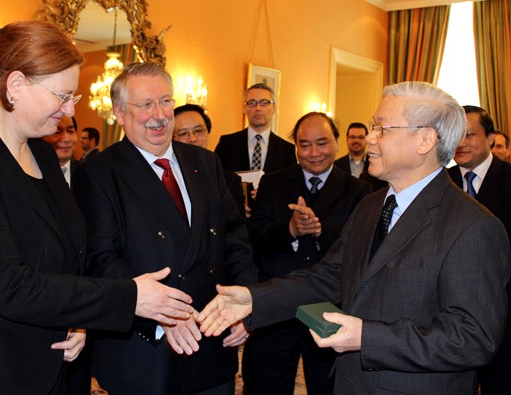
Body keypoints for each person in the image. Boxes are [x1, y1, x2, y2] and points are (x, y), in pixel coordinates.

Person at [0, 20, 193, 395]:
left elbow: (68, 252)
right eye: (62, 96)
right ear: (15, 86)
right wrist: (130, 296)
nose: (67, 111)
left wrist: (76, 321)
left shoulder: (41, 153)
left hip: (47, 365)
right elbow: (11, 286)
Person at [198, 81, 511, 395]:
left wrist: (366, 337)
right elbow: (330, 275)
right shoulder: (372, 205)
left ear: (425, 140)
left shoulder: (473, 226)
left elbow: (473, 339)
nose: (370, 138)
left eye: (382, 129)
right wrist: (254, 299)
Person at [73, 62, 258, 395]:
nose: (159, 114)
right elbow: (101, 259)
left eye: (166, 101)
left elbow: (235, 242)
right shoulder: (99, 172)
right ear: (119, 113)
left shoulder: (206, 163)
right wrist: (161, 315)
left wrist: (245, 302)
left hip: (211, 341)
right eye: (146, 105)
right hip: (144, 350)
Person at [243, 112, 371, 395]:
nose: (313, 153)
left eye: (322, 143)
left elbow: (359, 248)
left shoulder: (359, 190)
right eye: (304, 144)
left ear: (337, 143)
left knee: (327, 386)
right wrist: (289, 229)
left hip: (329, 308)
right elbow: (255, 236)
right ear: (295, 147)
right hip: (276, 305)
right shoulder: (273, 183)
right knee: (265, 384)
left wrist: (318, 229)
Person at [448, 105, 511, 395]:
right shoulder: (439, 181)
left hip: (502, 307)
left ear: (491, 139)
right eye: (456, 135)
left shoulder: (508, 178)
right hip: (449, 311)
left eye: (469, 135)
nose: (460, 143)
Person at [173, 103, 246, 219]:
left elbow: (236, 229)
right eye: (183, 133)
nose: (193, 138)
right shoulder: (166, 177)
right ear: (171, 139)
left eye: (198, 131)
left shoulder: (229, 180)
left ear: (208, 133)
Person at [214, 83, 296, 173]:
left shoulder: (286, 150)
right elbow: (215, 177)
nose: (258, 108)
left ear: (274, 108)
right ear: (244, 108)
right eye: (252, 103)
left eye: (264, 103)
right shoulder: (227, 144)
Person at [42, 115, 78, 188]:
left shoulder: (85, 173)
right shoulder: (32, 171)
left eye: (70, 131)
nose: (66, 139)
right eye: (57, 132)